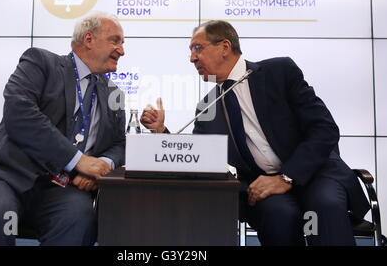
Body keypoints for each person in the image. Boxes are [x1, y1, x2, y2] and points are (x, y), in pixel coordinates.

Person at [140, 20, 370, 246]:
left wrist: (286, 177)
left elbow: (325, 129)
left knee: (325, 205)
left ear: (224, 47)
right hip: (264, 187)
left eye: (197, 48)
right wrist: (161, 131)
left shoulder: (279, 71)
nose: (192, 58)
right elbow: (196, 156)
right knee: (277, 215)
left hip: (315, 173)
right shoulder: (207, 107)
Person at [0, 12, 126, 246]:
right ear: (88, 39)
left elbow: (119, 143)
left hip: (58, 188)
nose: (122, 50)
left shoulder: (114, 93)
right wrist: (78, 161)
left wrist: (102, 164)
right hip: (5, 176)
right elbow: (20, 114)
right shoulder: (41, 62)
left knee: (80, 218)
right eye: (115, 41)